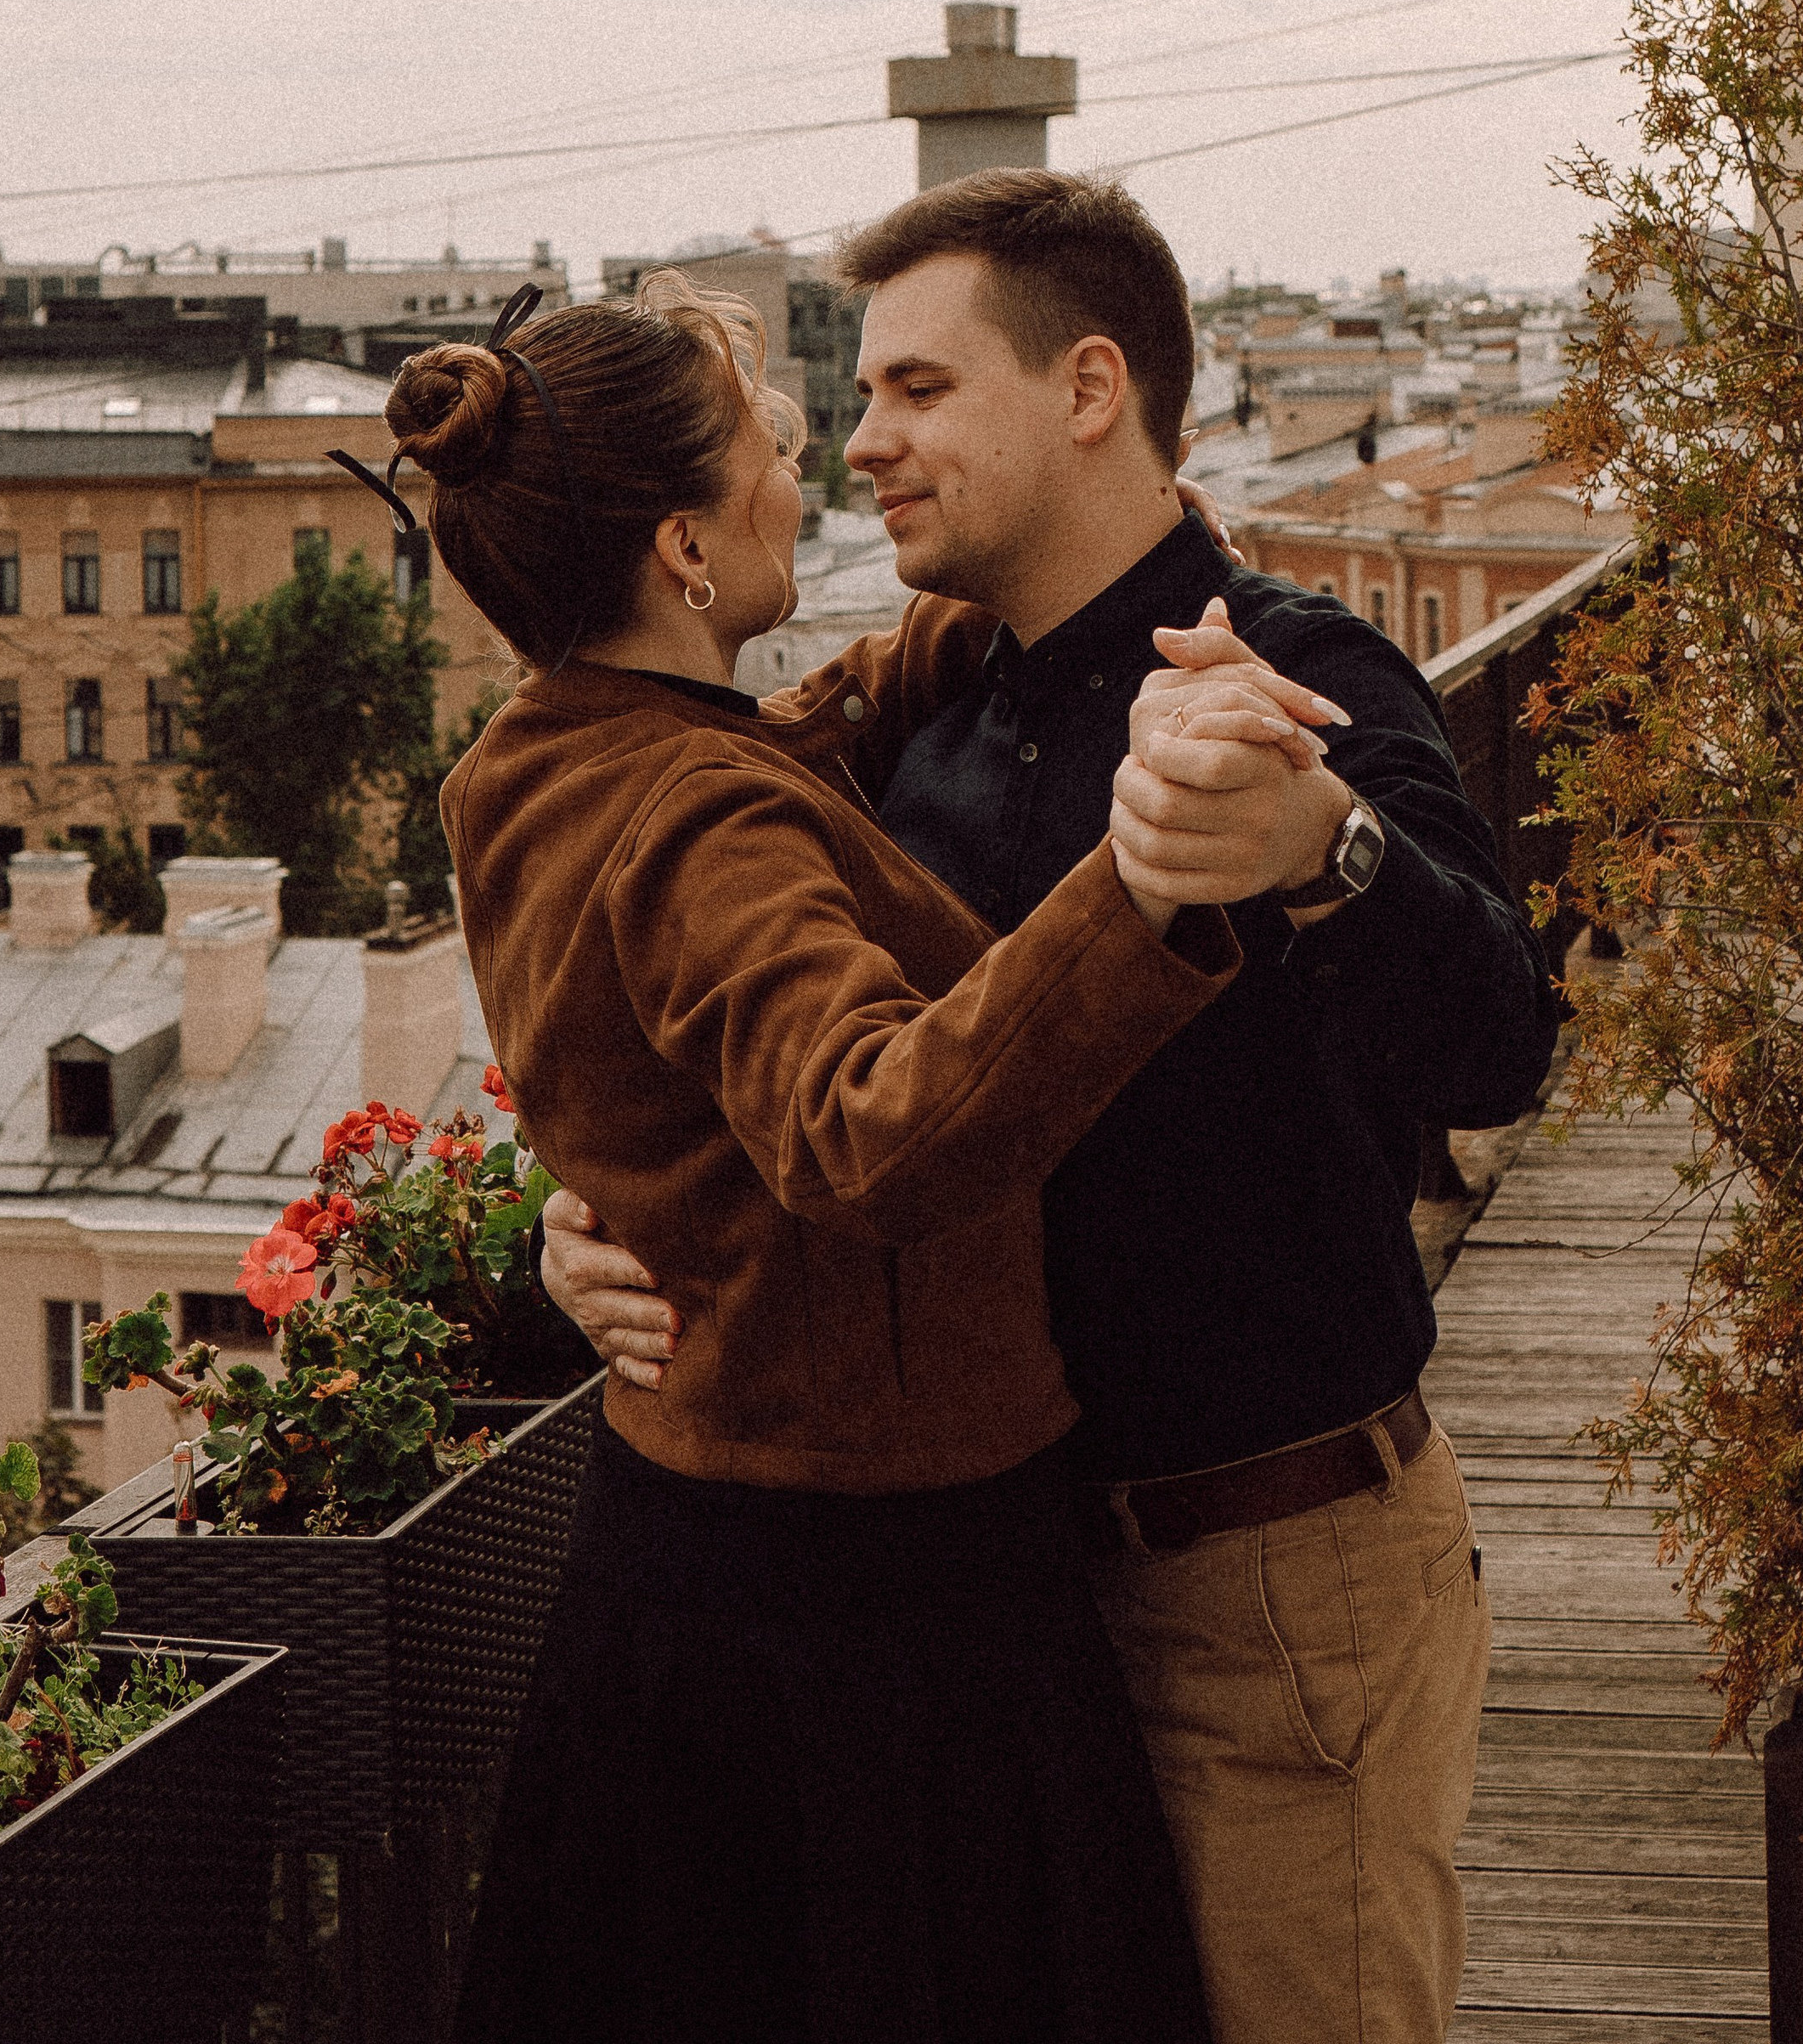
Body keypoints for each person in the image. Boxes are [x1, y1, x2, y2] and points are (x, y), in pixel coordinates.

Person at [545, 171, 1562, 2044]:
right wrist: (597, 1217)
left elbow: (1502, 1045)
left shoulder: (1294, 678)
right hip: (975, 1619)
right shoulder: (916, 729)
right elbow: (770, 1047)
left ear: (1089, 386)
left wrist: (1323, 854)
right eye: (857, 401)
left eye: (918, 392)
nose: (861, 446)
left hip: (1267, 1594)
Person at [378, 271, 1337, 2044]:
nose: (804, 471)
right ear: (682, 546)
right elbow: (866, 1128)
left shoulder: (538, 762)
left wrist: (1074, 561)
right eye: (767, 446)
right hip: (877, 1627)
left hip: (687, 1576)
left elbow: (785, 754)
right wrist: (1138, 883)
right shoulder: (695, 816)